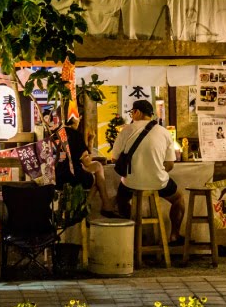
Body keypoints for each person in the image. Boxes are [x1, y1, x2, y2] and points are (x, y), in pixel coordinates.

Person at [112, 99, 186, 244]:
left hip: (130, 182)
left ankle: (134, 236)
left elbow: (115, 159)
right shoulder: (164, 132)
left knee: (120, 200)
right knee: (178, 199)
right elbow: (170, 164)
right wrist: (155, 170)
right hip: (158, 182)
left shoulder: (126, 130)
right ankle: (174, 235)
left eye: (132, 112)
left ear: (137, 112)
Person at [55, 114, 116, 218]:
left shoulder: (56, 134)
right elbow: (87, 162)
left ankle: (96, 207)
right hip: (73, 177)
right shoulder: (75, 135)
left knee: (96, 171)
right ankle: (87, 209)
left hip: (57, 179)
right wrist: (91, 141)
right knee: (98, 173)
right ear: (76, 119)